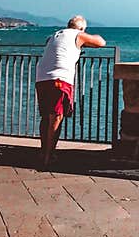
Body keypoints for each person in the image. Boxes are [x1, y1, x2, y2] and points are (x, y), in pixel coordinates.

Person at [34, 15, 106, 169]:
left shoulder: (55, 35)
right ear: (81, 28)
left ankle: (43, 151)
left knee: (46, 116)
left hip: (41, 78)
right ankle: (48, 157)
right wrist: (85, 37)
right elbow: (101, 42)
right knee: (56, 116)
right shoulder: (78, 35)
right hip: (59, 79)